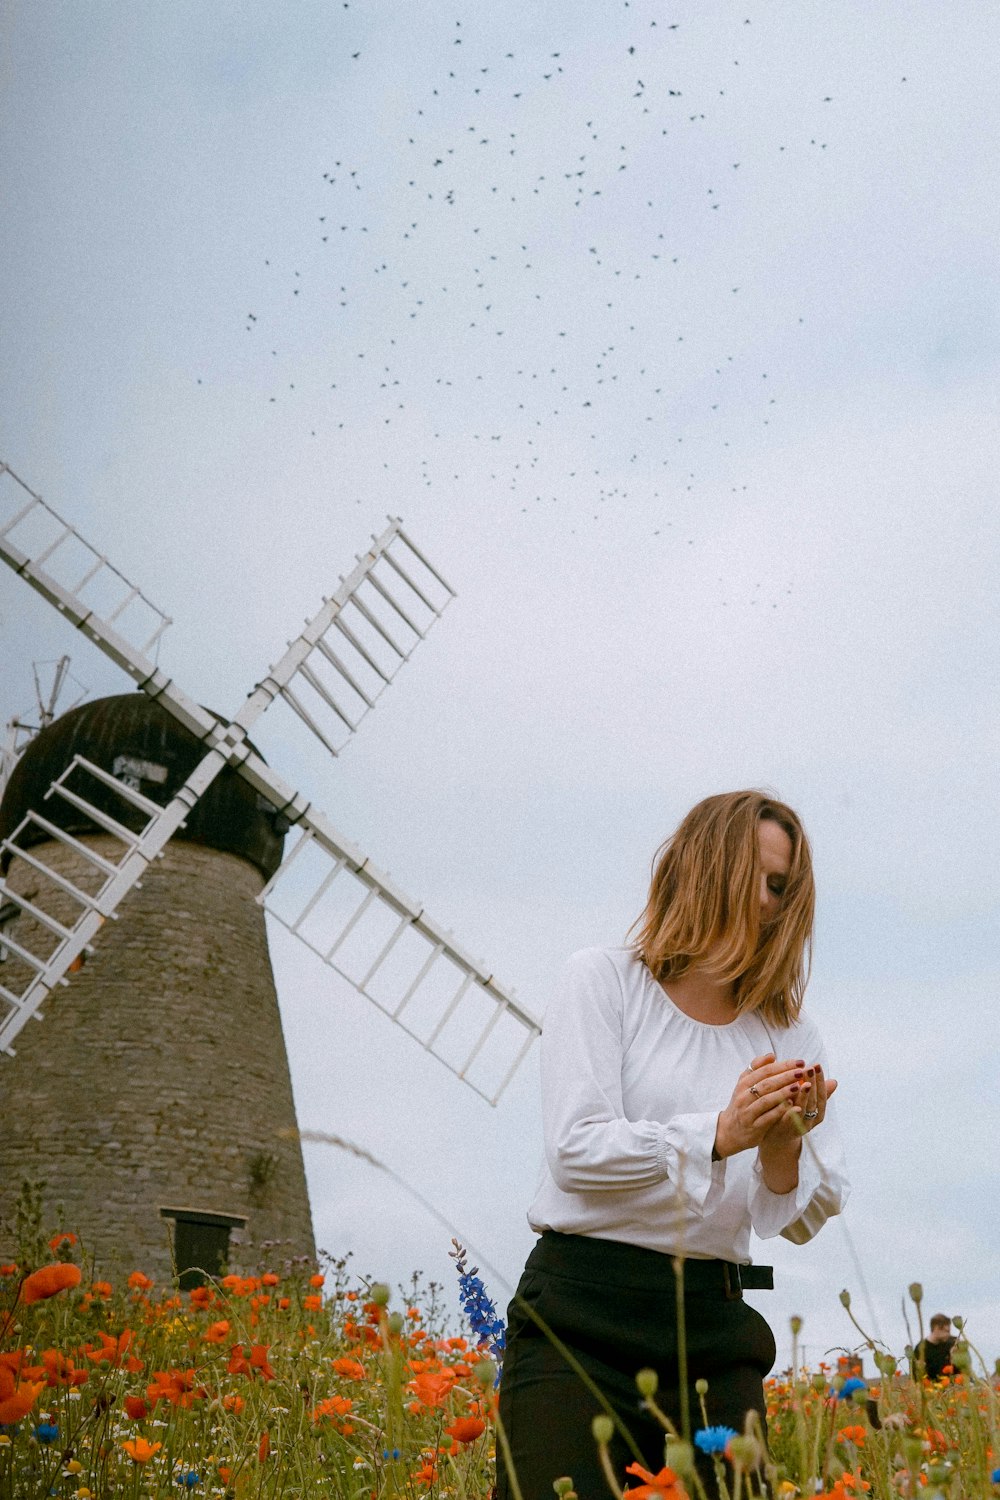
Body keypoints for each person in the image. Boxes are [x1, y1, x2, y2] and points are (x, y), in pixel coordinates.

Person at [497, 791, 849, 1499]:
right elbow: (576, 1148)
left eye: (780, 885)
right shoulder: (602, 980)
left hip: (714, 1328)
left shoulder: (791, 1034)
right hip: (579, 1314)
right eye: (751, 869)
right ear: (702, 861)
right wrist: (721, 1133)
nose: (764, 897)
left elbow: (796, 1216)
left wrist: (781, 1144)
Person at [915, 1315, 955, 1380]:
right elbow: (915, 1375)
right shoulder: (921, 1348)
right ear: (936, 1328)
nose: (949, 1334)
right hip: (931, 1386)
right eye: (947, 1331)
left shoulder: (952, 1343)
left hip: (953, 1386)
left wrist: (955, 1357)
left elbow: (962, 1371)